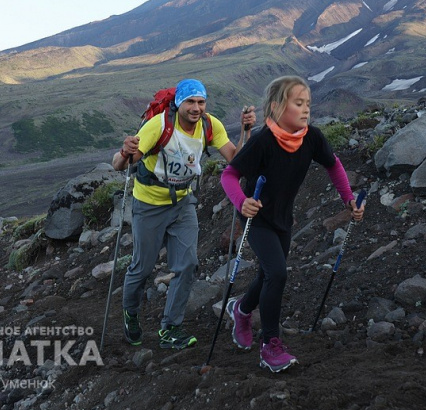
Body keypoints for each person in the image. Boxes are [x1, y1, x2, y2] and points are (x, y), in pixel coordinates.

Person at [220, 75, 364, 372]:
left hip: (283, 218)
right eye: (298, 103)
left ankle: (242, 309)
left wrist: (348, 199)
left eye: (308, 103)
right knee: (277, 273)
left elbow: (333, 164)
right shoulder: (262, 141)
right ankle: (270, 345)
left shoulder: (312, 137)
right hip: (256, 217)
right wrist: (241, 202)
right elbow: (229, 175)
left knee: (268, 274)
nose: (306, 109)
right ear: (276, 107)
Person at [113, 78, 256, 350]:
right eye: (190, 101)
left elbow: (236, 159)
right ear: (179, 102)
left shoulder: (210, 125)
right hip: (149, 204)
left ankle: (171, 328)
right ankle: (130, 312)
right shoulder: (159, 125)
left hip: (182, 202)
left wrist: (246, 131)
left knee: (187, 265)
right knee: (142, 267)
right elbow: (120, 165)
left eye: (201, 102)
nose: (196, 108)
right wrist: (124, 151)